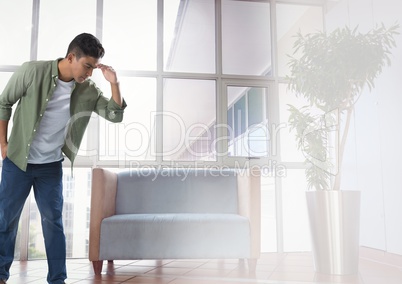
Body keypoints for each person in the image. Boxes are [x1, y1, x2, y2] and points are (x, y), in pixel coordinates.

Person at [0, 33, 126, 284]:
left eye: (93, 67)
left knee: (53, 223)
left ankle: (57, 279)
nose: (89, 73)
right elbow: (4, 103)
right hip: (17, 162)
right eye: (87, 66)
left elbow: (115, 115)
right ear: (71, 57)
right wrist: (2, 143)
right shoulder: (32, 72)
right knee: (6, 219)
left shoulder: (88, 90)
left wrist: (114, 83)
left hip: (50, 167)